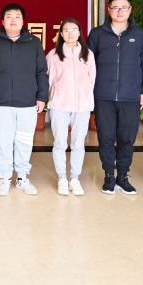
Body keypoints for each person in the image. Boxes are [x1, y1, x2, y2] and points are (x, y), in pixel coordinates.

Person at [88, 0, 143, 195]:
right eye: (115, 7)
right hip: (103, 96)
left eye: (123, 7)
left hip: (130, 96)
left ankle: (123, 176)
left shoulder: (140, 35)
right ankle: (109, 175)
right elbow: (88, 65)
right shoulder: (97, 34)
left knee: (127, 138)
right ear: (108, 10)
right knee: (106, 137)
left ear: (130, 10)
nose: (119, 11)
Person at [0, 3, 48, 196]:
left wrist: (42, 97)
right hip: (1, 102)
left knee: (24, 141)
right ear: (2, 21)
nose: (13, 20)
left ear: (23, 21)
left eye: (17, 16)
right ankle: (4, 177)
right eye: (9, 16)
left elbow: (41, 72)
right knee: (3, 141)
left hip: (27, 102)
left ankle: (22, 177)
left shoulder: (34, 42)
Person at [46, 18, 96, 196]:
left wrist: (85, 96)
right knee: (60, 143)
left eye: (74, 30)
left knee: (78, 144)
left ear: (79, 32)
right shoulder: (53, 55)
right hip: (59, 105)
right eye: (66, 30)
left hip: (82, 106)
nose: (70, 33)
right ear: (61, 33)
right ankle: (62, 178)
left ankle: (74, 178)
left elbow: (92, 79)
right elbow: (49, 80)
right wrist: (53, 98)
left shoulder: (88, 54)